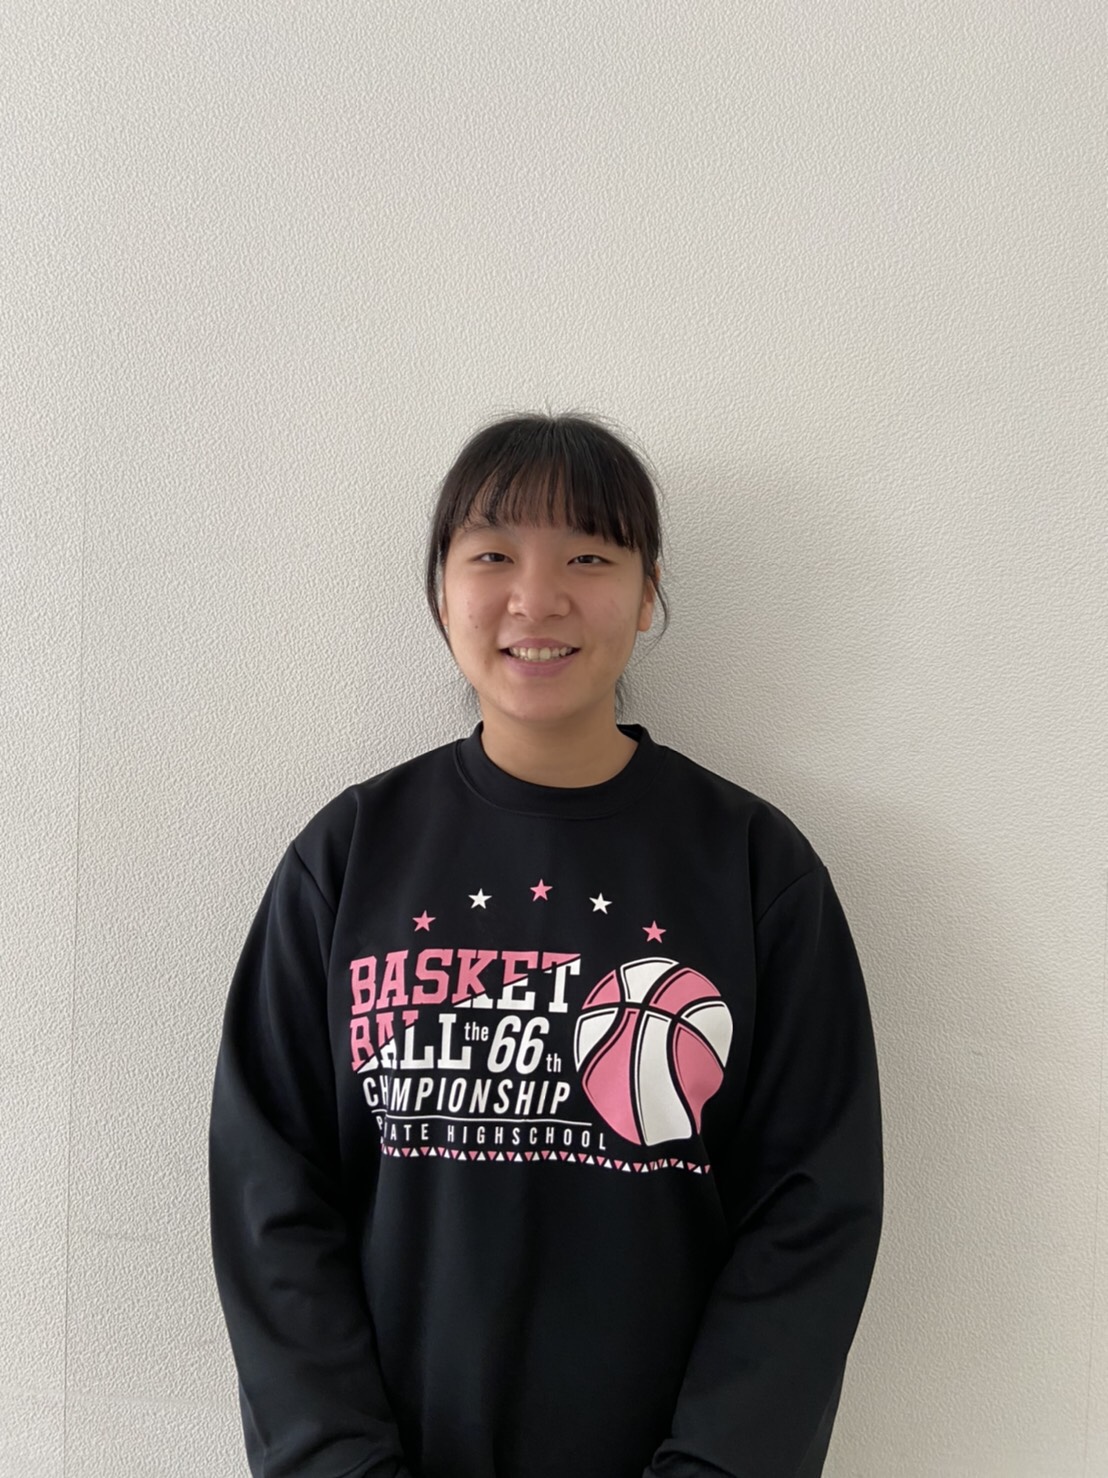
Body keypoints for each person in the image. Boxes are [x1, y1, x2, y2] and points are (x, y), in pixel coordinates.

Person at [208, 411, 884, 1478]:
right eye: (492, 555)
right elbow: (270, 1197)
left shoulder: (755, 868)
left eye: (589, 557)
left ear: (648, 592)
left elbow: (811, 1211)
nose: (537, 597)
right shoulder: (348, 857)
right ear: (440, 591)